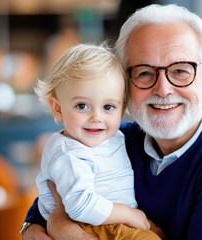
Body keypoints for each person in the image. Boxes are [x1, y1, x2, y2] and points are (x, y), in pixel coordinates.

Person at [21, 4, 202, 240]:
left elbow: (63, 213)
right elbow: (57, 191)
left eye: (181, 71)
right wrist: (32, 226)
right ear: (126, 85)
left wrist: (64, 229)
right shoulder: (115, 140)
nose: (163, 89)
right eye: (145, 73)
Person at [32, 43, 164, 239]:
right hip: (90, 224)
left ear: (122, 109)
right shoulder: (69, 153)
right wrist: (129, 214)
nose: (96, 117)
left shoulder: (116, 136)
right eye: (82, 105)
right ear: (58, 108)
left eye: (108, 107)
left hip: (115, 221)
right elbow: (81, 206)